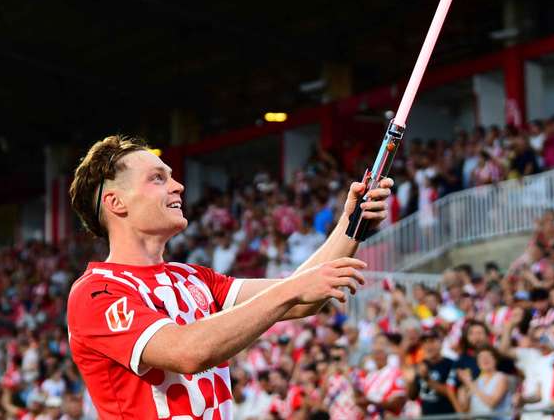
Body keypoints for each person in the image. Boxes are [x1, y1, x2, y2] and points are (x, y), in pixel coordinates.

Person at [65, 136, 393, 420]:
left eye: (172, 177)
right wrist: (293, 287)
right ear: (115, 202)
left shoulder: (193, 277)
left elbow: (299, 299)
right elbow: (186, 352)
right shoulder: (96, 293)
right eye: (157, 178)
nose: (178, 185)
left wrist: (352, 223)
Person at [404, 330, 457, 415]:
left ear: (441, 342)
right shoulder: (420, 365)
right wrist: (410, 382)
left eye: (432, 341)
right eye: (424, 342)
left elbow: (452, 393)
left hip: (447, 416)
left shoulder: (451, 364)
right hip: (427, 416)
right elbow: (412, 396)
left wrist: (427, 379)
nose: (428, 346)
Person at [456, 347, 511, 420]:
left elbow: (492, 403)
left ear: (495, 360)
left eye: (488, 356)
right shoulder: (476, 382)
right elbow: (465, 411)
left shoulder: (501, 378)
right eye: (481, 357)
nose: (485, 359)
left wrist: (470, 384)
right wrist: (462, 390)